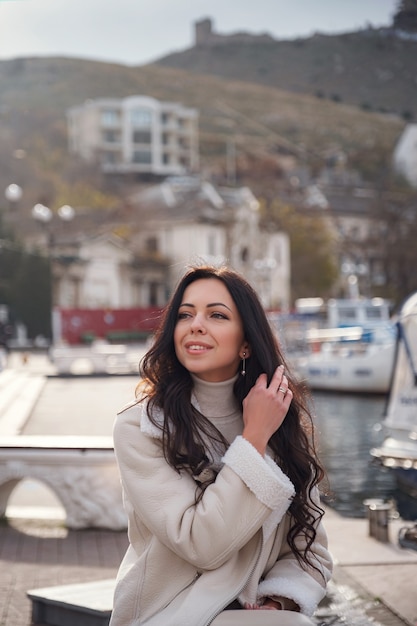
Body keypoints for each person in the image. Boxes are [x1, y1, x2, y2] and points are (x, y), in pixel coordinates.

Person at [110, 265, 332, 626]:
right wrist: (253, 440)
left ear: (246, 343)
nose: (196, 324)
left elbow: (312, 550)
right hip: (169, 612)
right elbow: (201, 545)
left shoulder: (280, 422)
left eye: (216, 315)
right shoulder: (140, 428)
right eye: (185, 314)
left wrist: (279, 601)